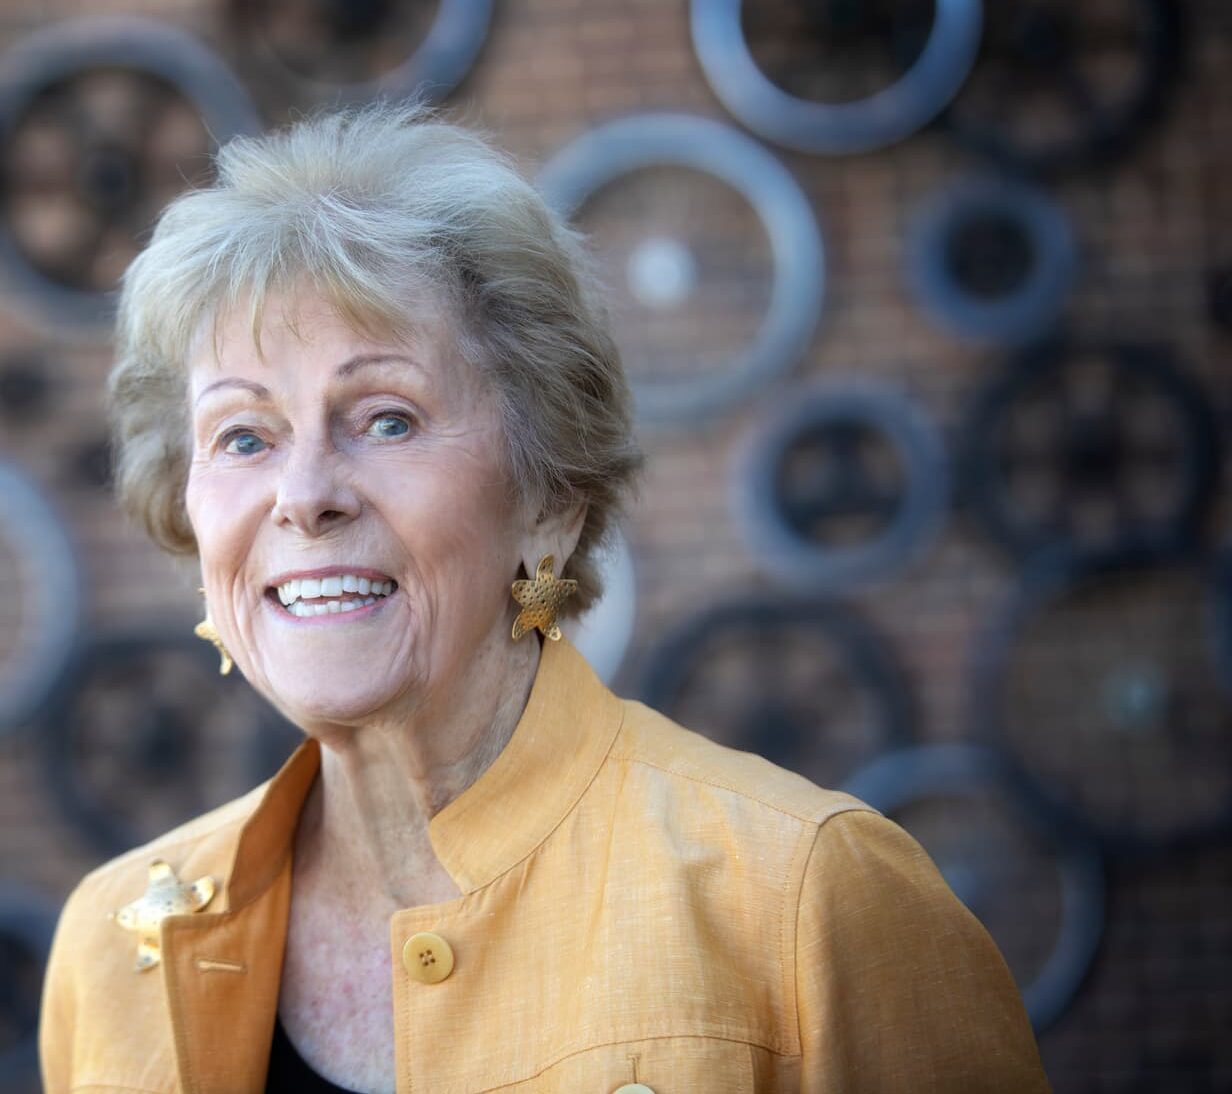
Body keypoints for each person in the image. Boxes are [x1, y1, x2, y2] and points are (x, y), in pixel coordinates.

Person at [38, 104, 1050, 1093]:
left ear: (548, 502)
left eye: (385, 419)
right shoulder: (115, 937)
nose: (303, 496)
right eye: (244, 436)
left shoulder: (807, 896)